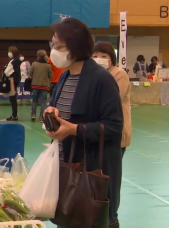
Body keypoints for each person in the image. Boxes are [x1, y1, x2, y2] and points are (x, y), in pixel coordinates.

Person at [44, 18, 123, 228]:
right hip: (67, 167)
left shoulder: (102, 80)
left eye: (58, 46)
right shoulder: (65, 76)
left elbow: (114, 128)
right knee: (68, 218)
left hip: (92, 171)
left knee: (93, 220)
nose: (53, 50)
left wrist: (74, 130)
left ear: (75, 47)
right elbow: (59, 110)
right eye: (52, 44)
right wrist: (51, 115)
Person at [92, 41, 132, 158]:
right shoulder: (92, 74)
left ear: (111, 58)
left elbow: (113, 100)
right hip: (96, 131)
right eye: (94, 56)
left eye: (103, 56)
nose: (98, 59)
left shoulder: (119, 74)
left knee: (109, 173)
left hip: (114, 131)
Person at [29, 50, 53, 122]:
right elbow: (51, 75)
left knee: (34, 101)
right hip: (45, 86)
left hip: (35, 85)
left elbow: (30, 74)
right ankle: (41, 118)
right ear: (44, 56)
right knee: (43, 102)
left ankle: (33, 115)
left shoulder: (34, 64)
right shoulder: (48, 65)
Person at [4, 46, 22, 121]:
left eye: (10, 51)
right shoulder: (18, 60)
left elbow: (7, 72)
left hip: (12, 81)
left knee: (12, 98)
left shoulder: (13, 61)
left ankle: (14, 116)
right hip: (17, 80)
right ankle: (14, 115)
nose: (9, 53)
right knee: (13, 98)